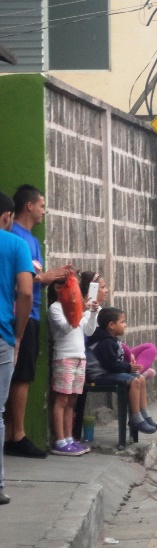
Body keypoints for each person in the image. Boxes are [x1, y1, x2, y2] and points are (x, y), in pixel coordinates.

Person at [3, 185, 75, 459]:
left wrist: (52, 278)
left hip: (31, 311)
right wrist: (45, 277)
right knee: (19, 377)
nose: (44, 210)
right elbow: (21, 278)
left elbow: (33, 278)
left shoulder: (31, 240)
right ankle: (17, 434)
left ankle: (11, 432)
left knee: (21, 376)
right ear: (28, 206)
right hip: (19, 314)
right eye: (42, 204)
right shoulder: (15, 238)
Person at [0, 192, 34, 503]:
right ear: (7, 216)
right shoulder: (15, 244)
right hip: (2, 336)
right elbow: (26, 292)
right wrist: (18, 332)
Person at [47, 274, 100, 455]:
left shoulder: (77, 308)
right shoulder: (55, 308)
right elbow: (66, 327)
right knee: (61, 399)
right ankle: (60, 440)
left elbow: (89, 330)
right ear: (58, 288)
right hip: (64, 357)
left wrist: (92, 312)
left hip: (80, 357)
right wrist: (78, 310)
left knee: (72, 400)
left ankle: (70, 438)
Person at [86, 308, 157, 434]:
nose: (125, 325)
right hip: (100, 376)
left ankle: (144, 415)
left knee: (140, 378)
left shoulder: (112, 339)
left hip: (108, 372)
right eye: (123, 322)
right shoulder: (105, 342)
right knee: (134, 380)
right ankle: (135, 418)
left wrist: (128, 366)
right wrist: (128, 367)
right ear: (111, 325)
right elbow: (111, 365)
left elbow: (115, 363)